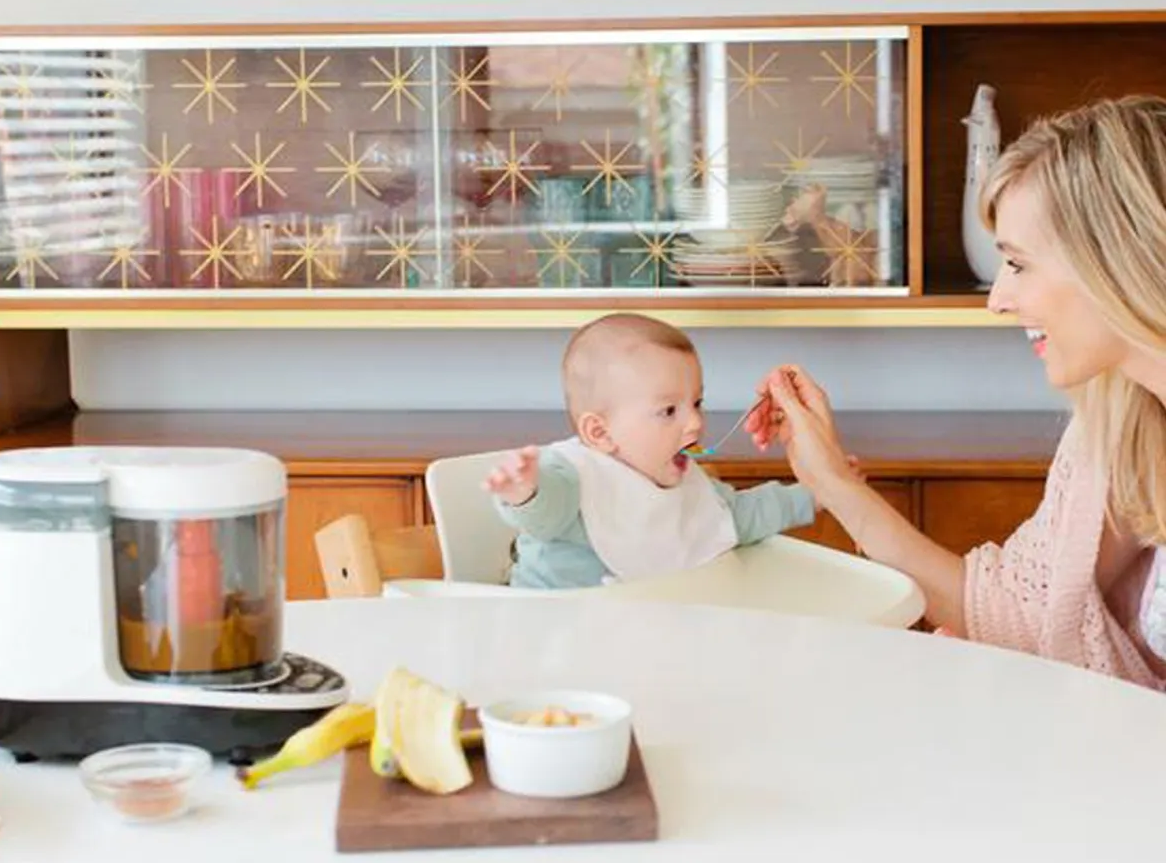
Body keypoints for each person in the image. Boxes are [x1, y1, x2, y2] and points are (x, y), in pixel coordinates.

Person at [747, 95, 1166, 691]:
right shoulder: (1124, 425)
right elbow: (1018, 614)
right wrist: (831, 481)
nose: (998, 300)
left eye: (1018, 264)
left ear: (1116, 260)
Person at [484, 312, 815, 589]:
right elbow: (546, 515)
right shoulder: (573, 473)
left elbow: (736, 517)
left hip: (636, 626)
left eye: (697, 403)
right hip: (548, 626)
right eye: (669, 411)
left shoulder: (682, 478)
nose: (695, 423)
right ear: (600, 432)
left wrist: (817, 491)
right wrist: (526, 494)